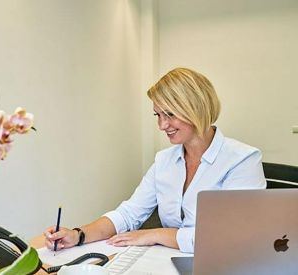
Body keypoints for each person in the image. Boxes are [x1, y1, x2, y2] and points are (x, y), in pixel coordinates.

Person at [43, 67, 266, 253]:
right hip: (167, 262)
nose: (162, 125)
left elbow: (232, 237)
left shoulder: (243, 160)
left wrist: (156, 234)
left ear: (196, 108)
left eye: (169, 114)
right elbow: (129, 213)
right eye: (158, 115)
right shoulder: (165, 161)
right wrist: (78, 235)